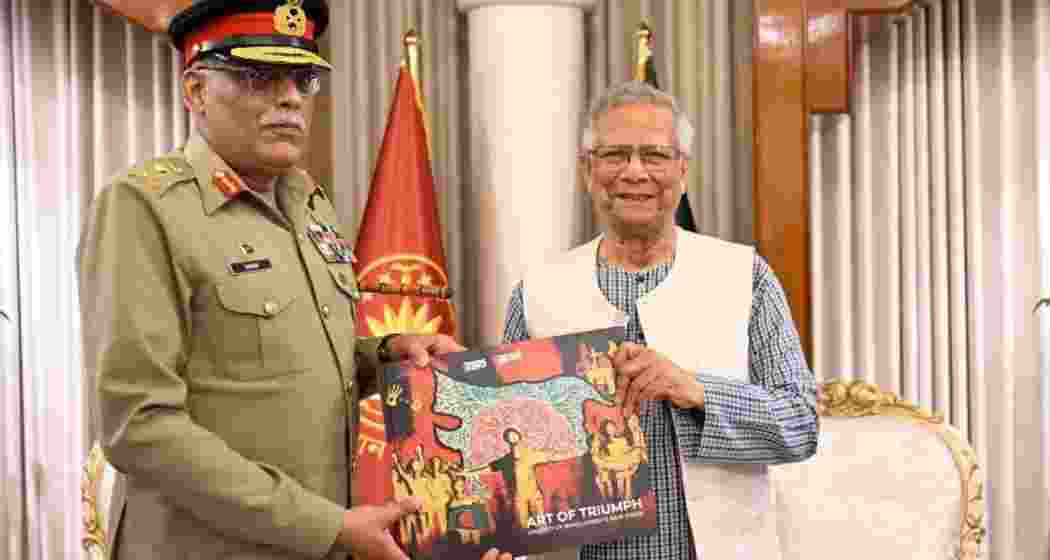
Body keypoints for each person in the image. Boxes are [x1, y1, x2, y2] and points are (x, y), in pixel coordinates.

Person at [77, 2, 512, 559]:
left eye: (303, 79)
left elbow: (287, 359)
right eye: (259, 77)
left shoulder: (307, 202)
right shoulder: (145, 207)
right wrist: (327, 526)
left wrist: (387, 353)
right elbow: (138, 425)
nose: (290, 98)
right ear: (196, 91)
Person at [502, 80, 819, 559]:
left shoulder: (744, 276)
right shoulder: (537, 291)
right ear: (587, 170)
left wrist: (695, 390)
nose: (634, 172)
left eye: (654, 155)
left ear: (682, 170)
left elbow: (800, 424)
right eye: (614, 155)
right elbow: (514, 444)